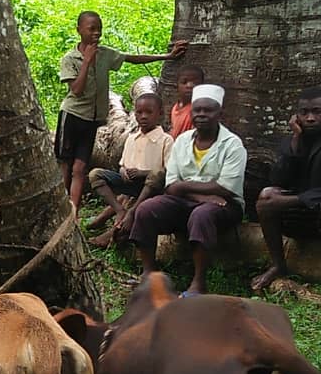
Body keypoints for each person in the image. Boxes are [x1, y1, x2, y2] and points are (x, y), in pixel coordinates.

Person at [55, 10, 187, 211]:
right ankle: (62, 209)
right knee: (66, 164)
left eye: (99, 29)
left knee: (80, 168)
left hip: (91, 119)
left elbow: (131, 58)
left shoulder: (105, 54)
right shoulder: (70, 59)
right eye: (91, 29)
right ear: (79, 30)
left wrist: (167, 56)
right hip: (72, 116)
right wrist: (87, 61)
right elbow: (77, 90)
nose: (96, 33)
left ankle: (73, 212)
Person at [128, 84, 247, 296]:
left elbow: (225, 188)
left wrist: (184, 187)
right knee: (146, 209)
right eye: (197, 110)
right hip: (189, 200)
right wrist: (200, 195)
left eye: (208, 110)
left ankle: (198, 283)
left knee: (202, 214)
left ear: (220, 114)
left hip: (226, 205)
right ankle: (149, 273)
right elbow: (171, 184)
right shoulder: (182, 141)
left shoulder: (232, 144)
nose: (201, 114)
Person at [251, 86, 321, 291]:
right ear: (296, 116)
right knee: (266, 196)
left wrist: (294, 200)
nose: (310, 118)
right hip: (304, 213)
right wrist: (295, 140)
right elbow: (278, 179)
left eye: (317, 112)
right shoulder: (293, 140)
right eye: (304, 113)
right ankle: (278, 265)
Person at [86, 92, 173, 244]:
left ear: (160, 114)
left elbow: (168, 171)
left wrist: (142, 173)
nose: (144, 116)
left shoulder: (166, 140)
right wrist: (123, 171)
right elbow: (123, 164)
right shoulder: (132, 138)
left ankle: (119, 226)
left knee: (157, 173)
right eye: (139, 112)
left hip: (151, 187)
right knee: (95, 174)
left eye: (149, 112)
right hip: (130, 184)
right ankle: (119, 209)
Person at [170, 64, 204, 137]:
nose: (189, 86)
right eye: (184, 82)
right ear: (176, 85)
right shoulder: (176, 107)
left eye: (195, 83)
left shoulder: (198, 110)